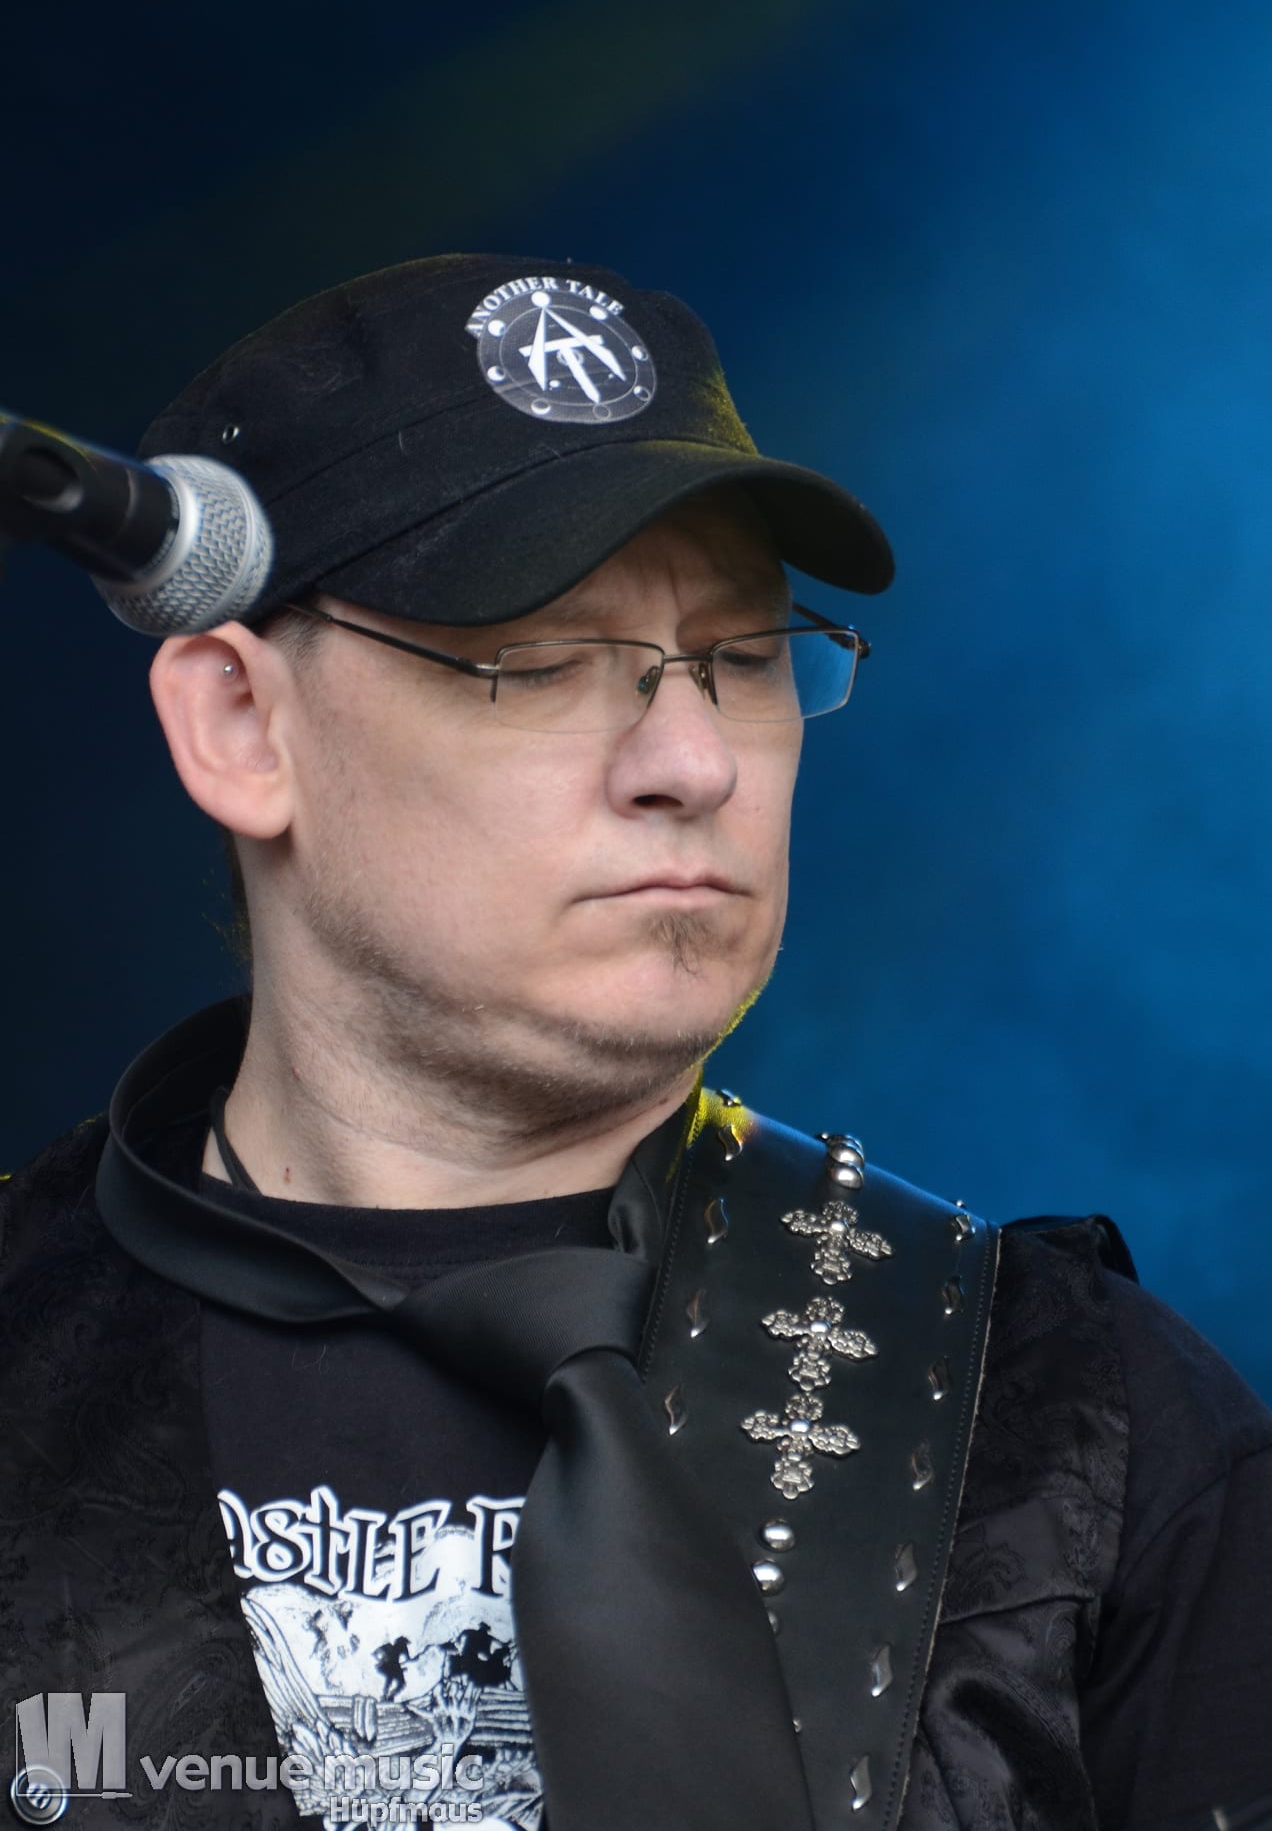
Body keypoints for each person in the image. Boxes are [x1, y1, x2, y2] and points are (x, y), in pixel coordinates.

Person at [3, 253, 1271, 1831]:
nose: (695, 760)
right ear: (242, 728)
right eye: (540, 661)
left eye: (741, 659)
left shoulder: (1090, 1420)